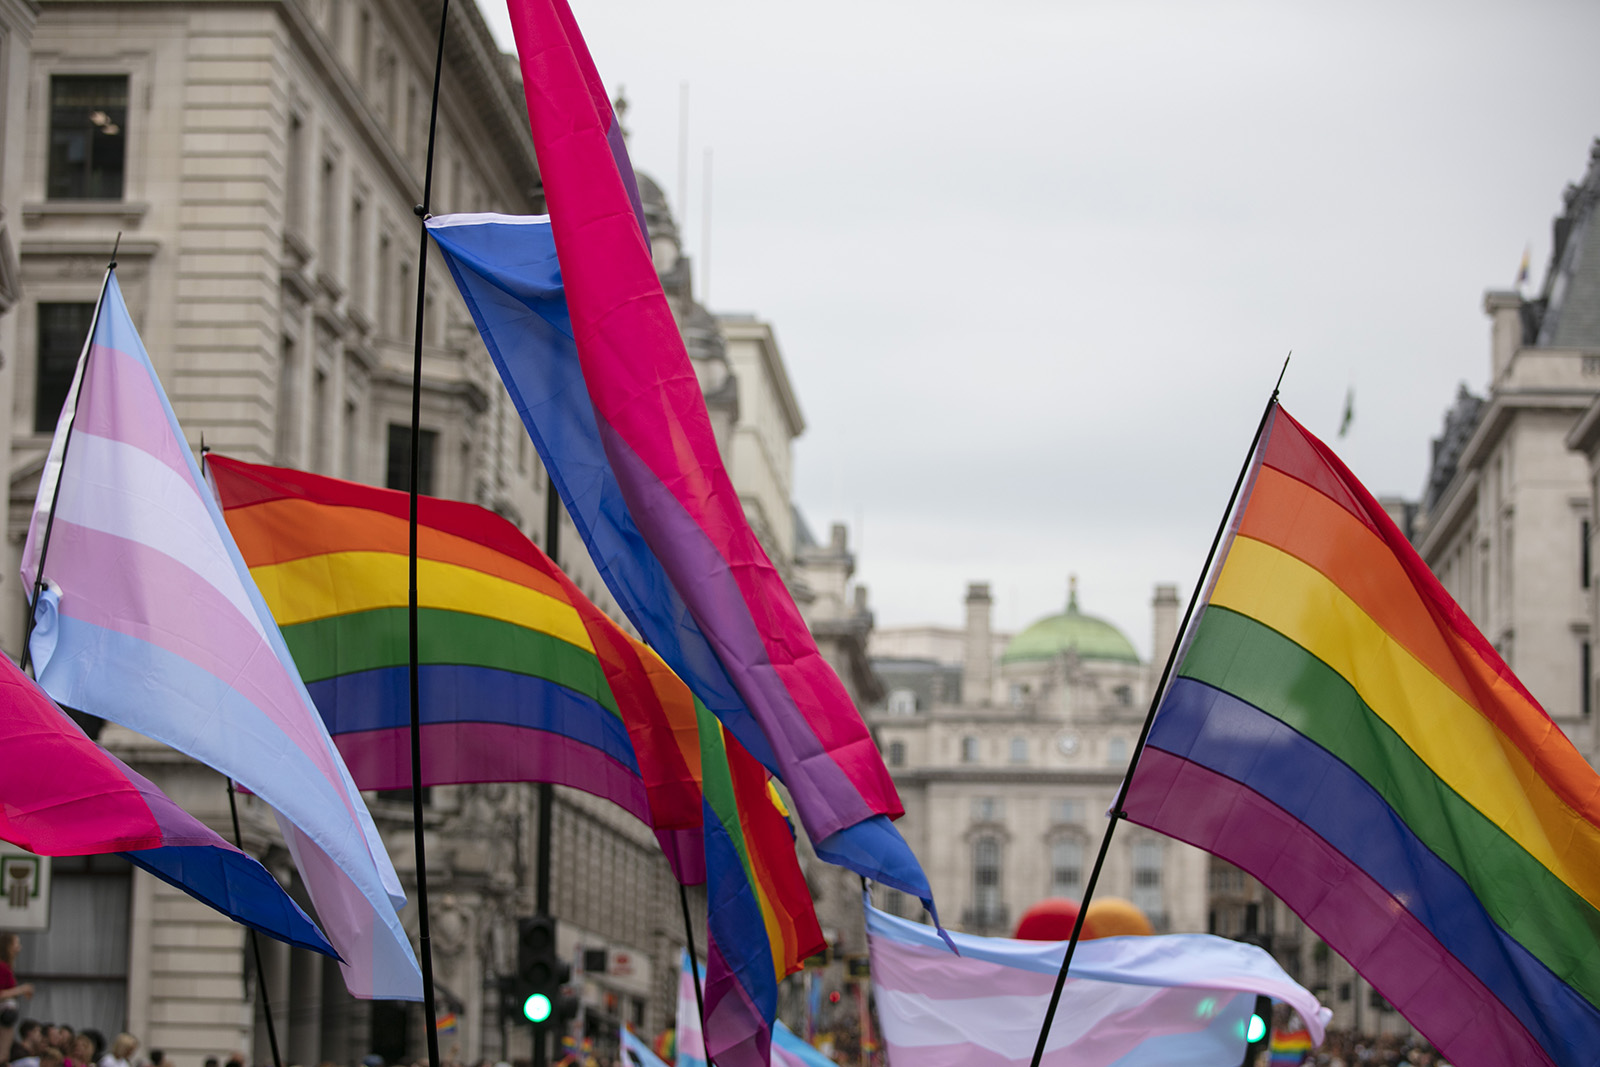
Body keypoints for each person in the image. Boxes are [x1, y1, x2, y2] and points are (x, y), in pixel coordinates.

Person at [0, 932, 35, 1006]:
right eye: (17, 944)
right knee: (10, 1005)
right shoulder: (2, 968)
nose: (19, 948)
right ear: (9, 947)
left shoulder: (7, 967)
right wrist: (22, 989)